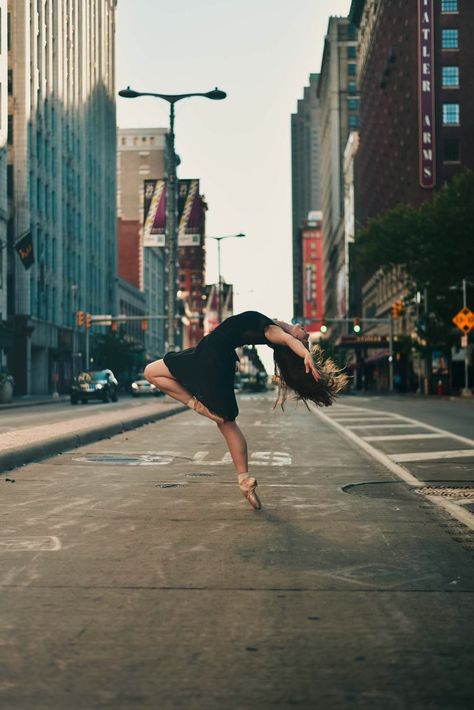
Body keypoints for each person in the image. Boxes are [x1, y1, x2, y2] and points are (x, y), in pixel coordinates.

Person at [144, 311, 348, 510]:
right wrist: (298, 345)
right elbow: (286, 333)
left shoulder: (272, 331)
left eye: (305, 339)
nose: (307, 333)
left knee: (151, 372)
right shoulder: (274, 324)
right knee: (226, 423)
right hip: (213, 355)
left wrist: (304, 352)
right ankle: (244, 481)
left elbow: (286, 340)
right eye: (307, 339)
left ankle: (198, 406)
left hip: (210, 356)